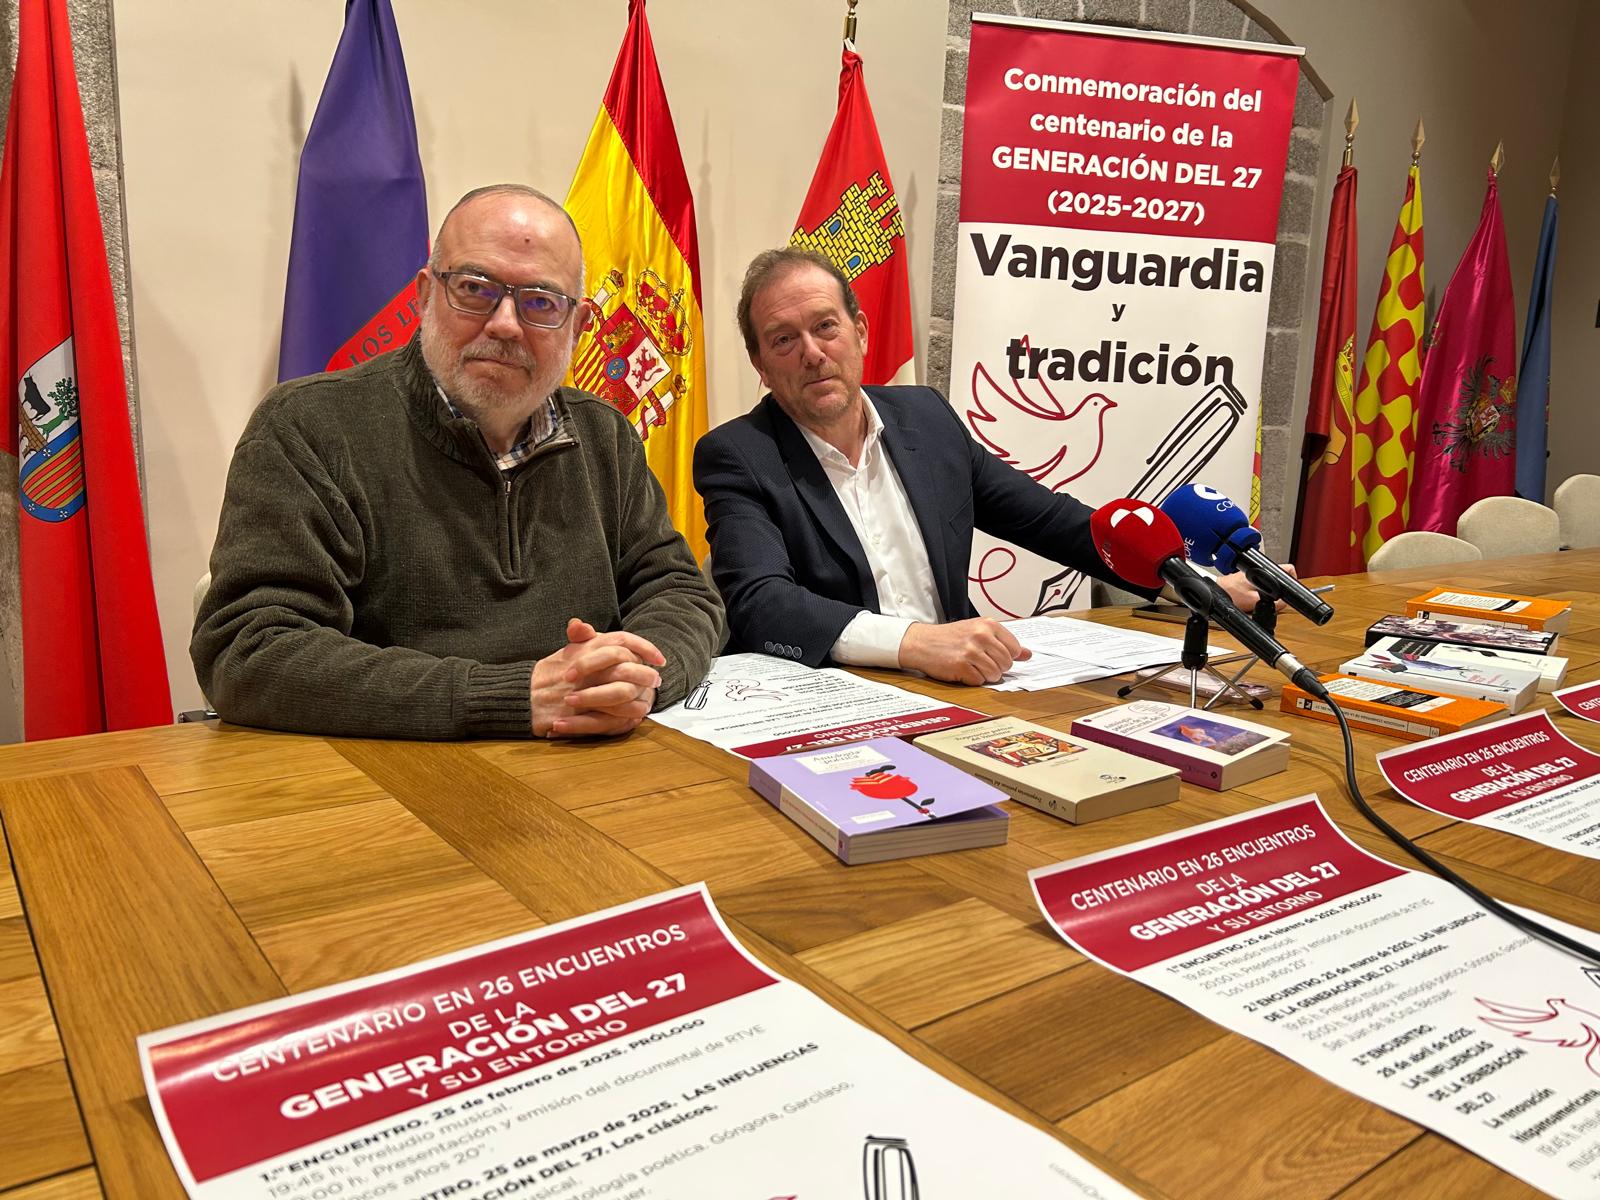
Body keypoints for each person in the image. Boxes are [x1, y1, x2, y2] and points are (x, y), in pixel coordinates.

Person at [193, 185, 723, 739]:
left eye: (541, 302)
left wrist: (637, 676)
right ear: (425, 296)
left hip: (585, 767)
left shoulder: (604, 435)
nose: (505, 324)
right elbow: (249, 648)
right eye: (475, 289)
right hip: (383, 783)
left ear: (579, 326)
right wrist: (515, 698)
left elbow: (680, 591)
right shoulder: (308, 428)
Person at [693, 248, 1266, 686]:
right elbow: (761, 601)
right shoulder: (739, 455)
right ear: (761, 366)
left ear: (859, 331)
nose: (812, 353)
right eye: (783, 340)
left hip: (965, 691)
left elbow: (1049, 521)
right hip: (834, 699)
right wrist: (915, 643)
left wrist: (1193, 585)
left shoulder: (925, 419)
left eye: (825, 326)